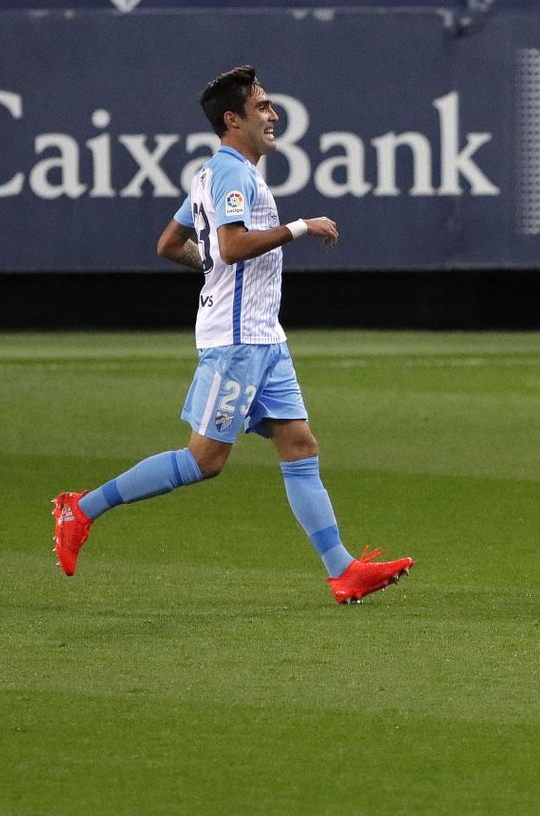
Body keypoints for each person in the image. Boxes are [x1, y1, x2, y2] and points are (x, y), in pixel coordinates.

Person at [51, 66, 414, 605]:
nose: (274, 115)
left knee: (298, 444)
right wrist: (300, 227)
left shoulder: (218, 174)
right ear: (233, 119)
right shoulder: (230, 175)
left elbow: (171, 243)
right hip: (238, 341)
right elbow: (234, 246)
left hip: (265, 337)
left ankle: (342, 571)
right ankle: (80, 510)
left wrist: (214, 270)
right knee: (205, 460)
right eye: (262, 106)